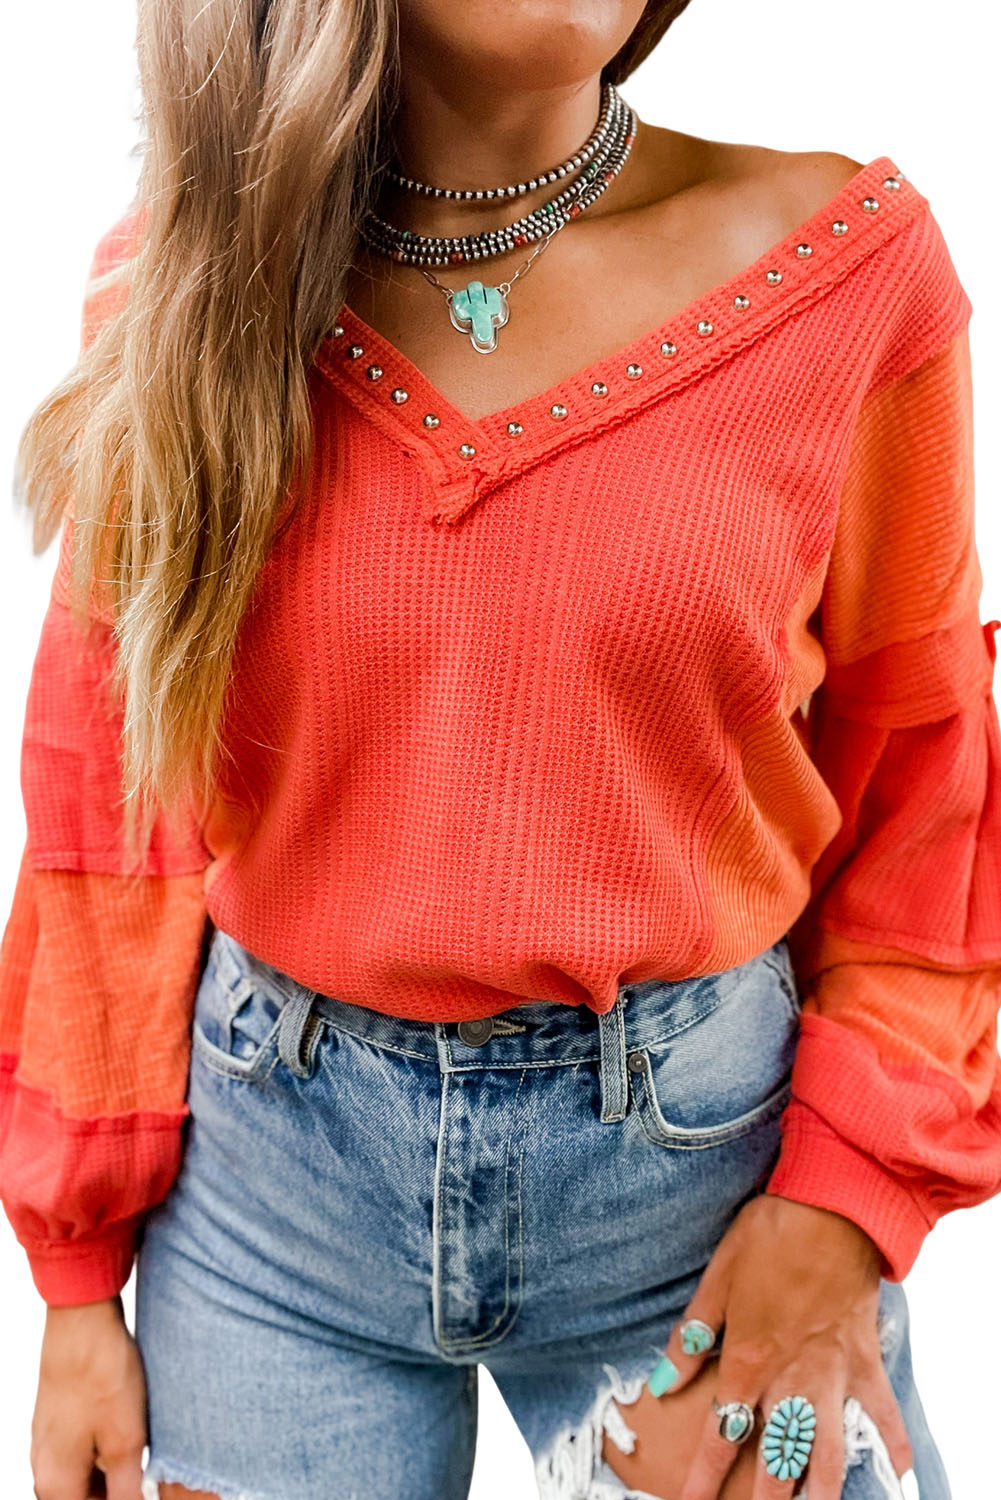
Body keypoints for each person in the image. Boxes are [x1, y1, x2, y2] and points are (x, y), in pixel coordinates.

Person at [2, 2, 999, 1498]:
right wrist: (75, 1284)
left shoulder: (843, 274)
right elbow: (110, 801)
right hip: (268, 1210)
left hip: (702, 1206)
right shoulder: (183, 290)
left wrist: (847, 1206)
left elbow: (929, 782)